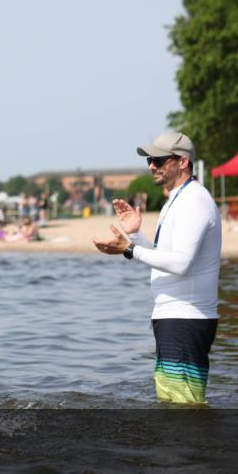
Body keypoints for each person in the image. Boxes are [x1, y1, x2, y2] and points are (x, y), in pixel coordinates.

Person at [92, 130, 221, 404]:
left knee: (184, 408)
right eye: (150, 160)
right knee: (173, 404)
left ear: (183, 161)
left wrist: (129, 249)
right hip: (173, 316)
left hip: (186, 317)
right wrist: (135, 237)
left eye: (159, 160)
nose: (152, 165)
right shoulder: (176, 200)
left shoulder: (195, 200)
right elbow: (166, 257)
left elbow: (182, 263)